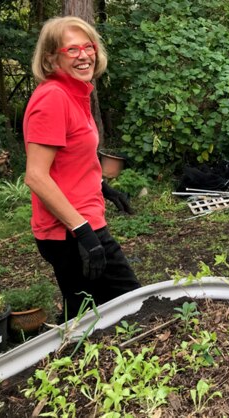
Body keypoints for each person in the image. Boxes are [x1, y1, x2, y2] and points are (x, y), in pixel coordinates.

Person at [24, 16, 141, 320]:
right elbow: (36, 176)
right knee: (133, 306)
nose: (84, 55)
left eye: (87, 47)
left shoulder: (76, 93)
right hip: (69, 231)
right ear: (51, 58)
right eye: (72, 50)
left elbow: (69, 161)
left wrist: (103, 187)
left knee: (86, 312)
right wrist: (84, 234)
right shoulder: (53, 98)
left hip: (80, 221)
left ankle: (70, 359)